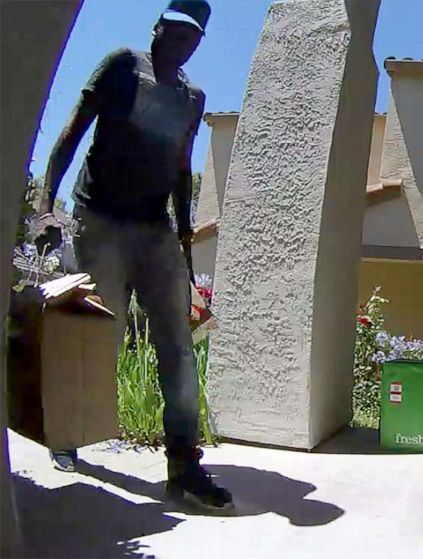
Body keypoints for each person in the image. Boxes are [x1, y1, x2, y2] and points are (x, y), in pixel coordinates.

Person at [33, 0, 232, 511]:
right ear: (157, 28)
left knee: (178, 347)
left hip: (155, 229)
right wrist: (44, 209)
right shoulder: (122, 66)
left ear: (197, 44)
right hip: (98, 217)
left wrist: (185, 238)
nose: (180, 40)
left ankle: (184, 463)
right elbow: (72, 132)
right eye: (174, 29)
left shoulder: (191, 98)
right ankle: (65, 435)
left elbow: (182, 170)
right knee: (99, 333)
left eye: (191, 35)